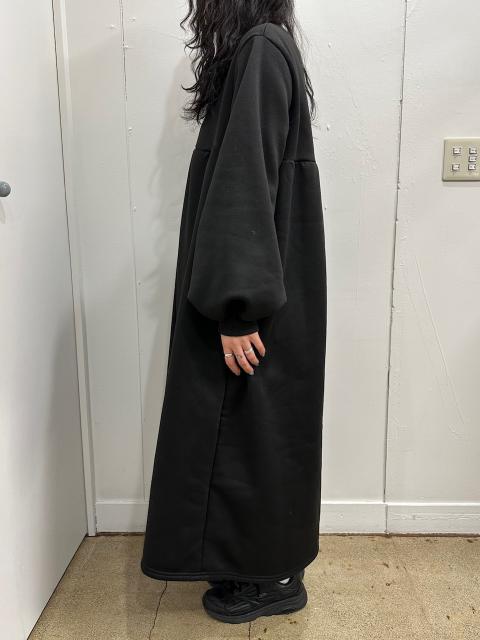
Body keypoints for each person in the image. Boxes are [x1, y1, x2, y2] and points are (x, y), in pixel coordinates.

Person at [141, 0, 327, 625]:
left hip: (256, 289)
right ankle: (251, 559)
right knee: (251, 429)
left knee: (252, 427)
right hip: (268, 276)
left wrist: (237, 307)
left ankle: (274, 576)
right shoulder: (265, 50)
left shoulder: (262, 49)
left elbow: (247, 178)